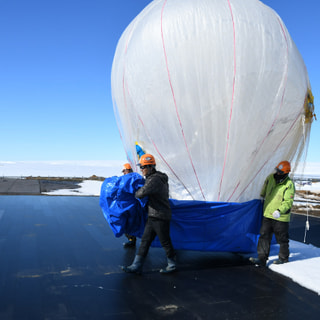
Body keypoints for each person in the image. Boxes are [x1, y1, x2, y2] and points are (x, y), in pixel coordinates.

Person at [121, 154, 176, 274]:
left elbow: (141, 193)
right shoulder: (154, 178)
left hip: (160, 216)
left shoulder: (155, 179)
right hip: (154, 215)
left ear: (151, 167)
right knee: (145, 241)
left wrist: (136, 191)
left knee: (165, 241)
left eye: (143, 167)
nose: (141, 170)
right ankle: (136, 266)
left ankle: (172, 265)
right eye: (141, 167)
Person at [250, 160, 295, 267]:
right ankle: (262, 258)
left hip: (280, 217)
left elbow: (288, 201)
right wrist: (261, 196)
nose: (277, 173)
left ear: (286, 173)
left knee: (282, 238)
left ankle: (283, 258)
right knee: (264, 236)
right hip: (268, 214)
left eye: (280, 172)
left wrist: (279, 211)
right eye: (277, 170)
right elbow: (265, 188)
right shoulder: (271, 178)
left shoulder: (289, 184)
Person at [121, 163, 137, 248]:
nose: (123, 173)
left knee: (130, 223)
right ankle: (131, 240)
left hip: (132, 206)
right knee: (128, 224)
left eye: (124, 171)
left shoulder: (134, 178)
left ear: (128, 170)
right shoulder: (125, 179)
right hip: (128, 206)